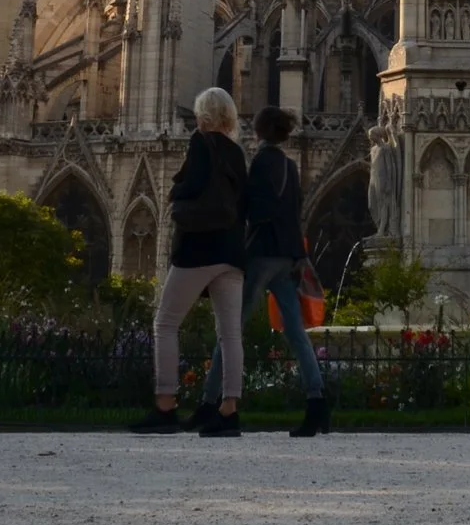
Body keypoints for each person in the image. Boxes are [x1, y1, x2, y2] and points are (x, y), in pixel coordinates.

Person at [201, 107, 328, 438]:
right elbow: (295, 208)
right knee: (296, 334)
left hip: (262, 255)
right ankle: (317, 403)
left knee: (231, 329)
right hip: (288, 257)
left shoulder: (260, 162)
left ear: (258, 132)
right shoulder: (288, 165)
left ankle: (210, 403)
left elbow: (255, 210)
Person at [132, 87, 250, 437]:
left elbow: (192, 186)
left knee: (165, 324)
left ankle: (165, 405)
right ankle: (229, 411)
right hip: (231, 252)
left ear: (203, 117)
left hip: (200, 248)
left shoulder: (201, 142)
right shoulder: (237, 153)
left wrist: (176, 190)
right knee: (230, 334)